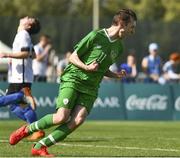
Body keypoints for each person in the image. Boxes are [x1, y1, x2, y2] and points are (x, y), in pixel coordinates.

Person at [9, 9, 137, 157]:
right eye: (131, 27)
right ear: (122, 23)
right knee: (61, 117)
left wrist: (115, 75)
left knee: (78, 120)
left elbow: (102, 68)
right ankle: (27, 130)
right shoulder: (96, 35)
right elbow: (73, 57)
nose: (132, 31)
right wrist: (86, 67)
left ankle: (40, 146)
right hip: (74, 78)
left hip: (91, 86)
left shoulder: (119, 47)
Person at [0, 16, 45, 140]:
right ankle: (36, 129)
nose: (26, 17)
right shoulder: (22, 35)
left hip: (21, 77)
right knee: (15, 106)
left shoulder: (23, 35)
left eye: (29, 18)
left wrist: (8, 54)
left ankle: (35, 127)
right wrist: (13, 59)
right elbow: (34, 55)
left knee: (15, 103)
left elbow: (26, 54)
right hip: (20, 77)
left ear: (29, 25)